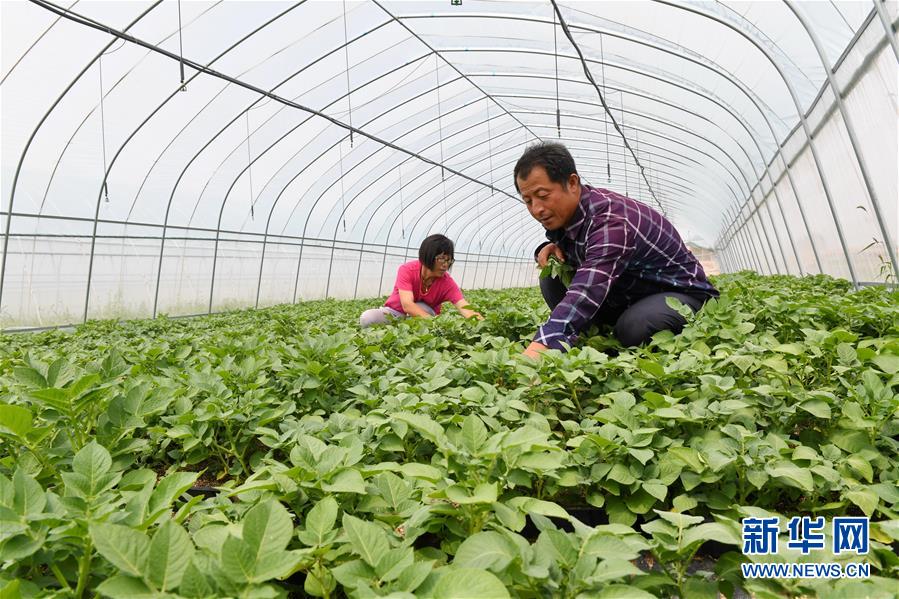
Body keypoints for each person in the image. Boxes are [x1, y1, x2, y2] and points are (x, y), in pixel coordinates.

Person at [515, 142, 718, 359]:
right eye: (528, 201)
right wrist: (547, 248)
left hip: (679, 296)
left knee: (633, 329)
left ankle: (599, 333)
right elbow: (581, 252)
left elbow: (587, 289)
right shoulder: (572, 217)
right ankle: (587, 335)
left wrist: (540, 346)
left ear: (572, 182)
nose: (537, 209)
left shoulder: (611, 222)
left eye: (543, 195)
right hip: (631, 293)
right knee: (553, 276)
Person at [360, 234, 481, 327]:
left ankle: (405, 332)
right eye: (442, 259)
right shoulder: (407, 270)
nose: (446, 265)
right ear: (427, 256)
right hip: (395, 313)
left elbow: (465, 308)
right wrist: (436, 325)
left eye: (449, 260)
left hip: (424, 318)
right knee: (368, 318)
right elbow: (407, 305)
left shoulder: (447, 283)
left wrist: (483, 324)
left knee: (422, 307)